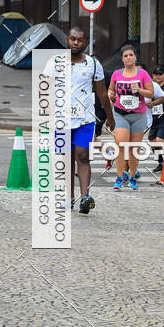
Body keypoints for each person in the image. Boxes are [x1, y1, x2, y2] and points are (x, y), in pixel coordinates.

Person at [48, 26, 115, 214]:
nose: (75, 43)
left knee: (83, 156)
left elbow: (102, 93)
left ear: (85, 42)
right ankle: (68, 198)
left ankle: (85, 197)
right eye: (72, 39)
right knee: (66, 159)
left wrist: (110, 117)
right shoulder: (54, 62)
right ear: (67, 40)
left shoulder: (93, 64)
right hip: (61, 121)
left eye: (79, 40)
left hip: (85, 120)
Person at [107, 45, 153, 191]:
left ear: (135, 57)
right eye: (125, 55)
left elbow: (151, 94)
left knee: (134, 148)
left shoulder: (143, 74)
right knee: (120, 144)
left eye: (131, 55)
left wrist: (139, 89)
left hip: (138, 115)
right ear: (122, 58)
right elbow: (111, 90)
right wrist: (110, 95)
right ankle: (120, 177)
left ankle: (132, 176)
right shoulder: (116, 74)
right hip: (120, 113)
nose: (128, 58)